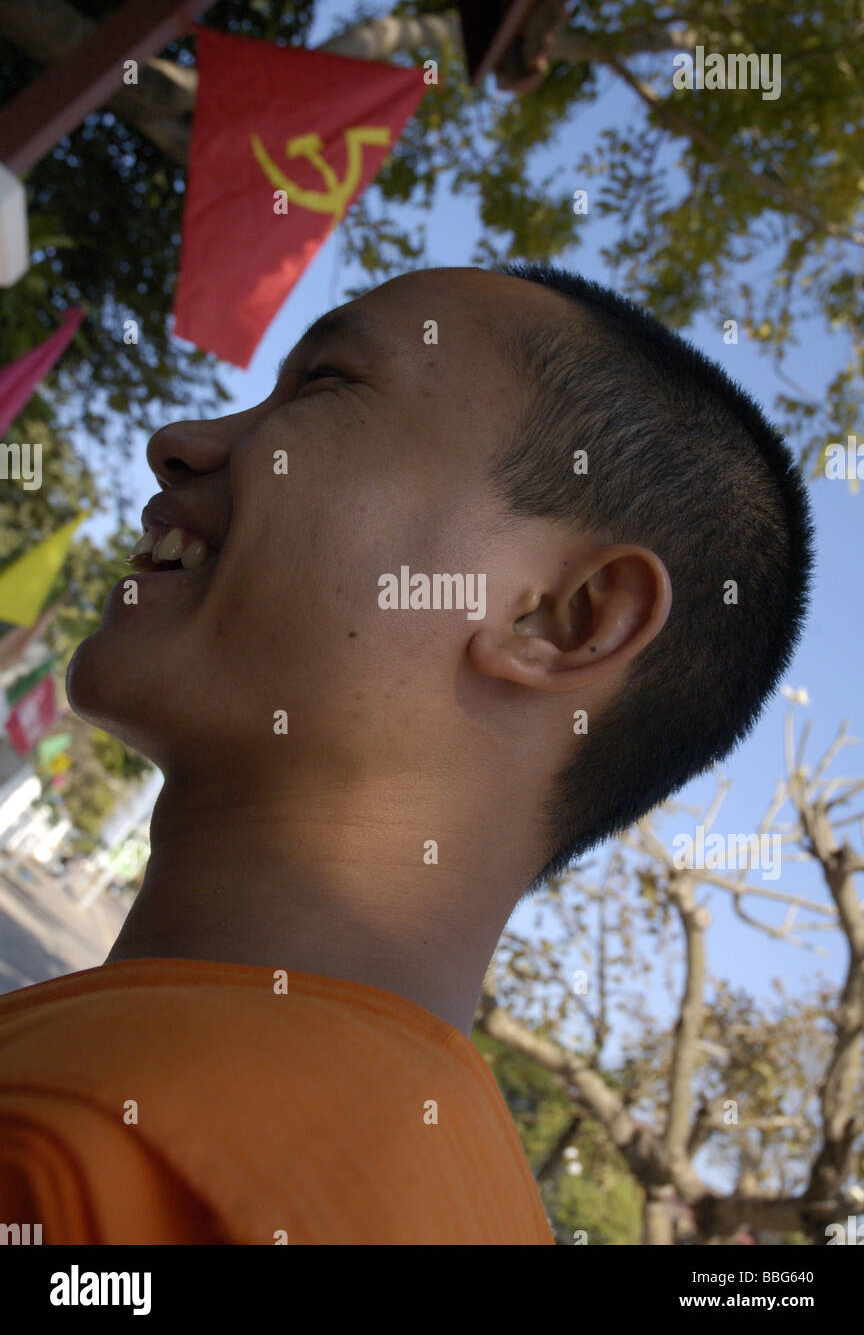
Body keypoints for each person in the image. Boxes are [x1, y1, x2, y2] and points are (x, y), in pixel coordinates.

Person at [0, 263, 814, 1244]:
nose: (179, 444)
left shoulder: (92, 1178)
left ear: (561, 618)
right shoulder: (447, 1192)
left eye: (327, 384)